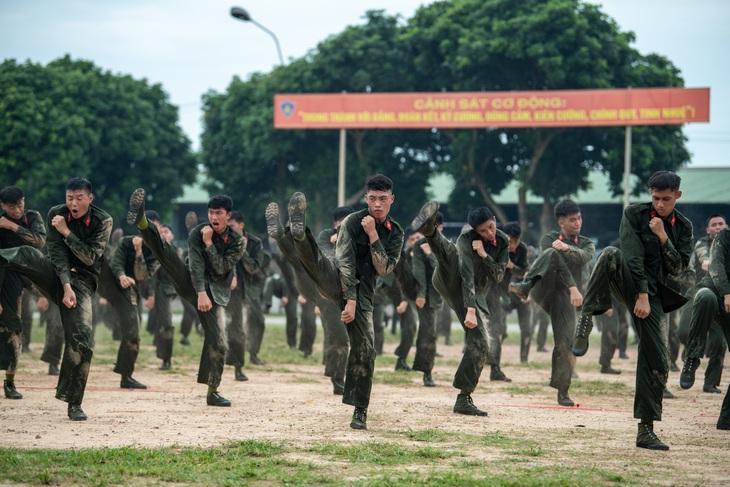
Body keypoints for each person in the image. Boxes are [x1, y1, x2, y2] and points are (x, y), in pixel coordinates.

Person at [574, 171, 692, 450]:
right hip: (631, 283)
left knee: (657, 359)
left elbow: (678, 269)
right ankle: (586, 320)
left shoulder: (683, 227)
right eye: (655, 198)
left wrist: (663, 237)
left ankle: (645, 430)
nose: (660, 205)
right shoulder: (634, 214)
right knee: (609, 255)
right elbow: (632, 254)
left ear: (678, 195)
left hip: (657, 296)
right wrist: (640, 294)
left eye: (666, 199)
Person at [279, 174, 404, 429]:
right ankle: (300, 234)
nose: (377, 204)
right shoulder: (351, 222)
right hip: (337, 278)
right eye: (372, 199)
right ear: (366, 198)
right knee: (316, 264)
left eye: (382, 199)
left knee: (365, 351)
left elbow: (384, 269)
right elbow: (345, 262)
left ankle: (360, 411)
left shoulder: (396, 232)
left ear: (392, 199)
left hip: (366, 293)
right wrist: (349, 300)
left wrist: (372, 235)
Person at [0, 178, 112, 420]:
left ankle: (74, 403)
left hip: (82, 282)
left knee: (80, 339)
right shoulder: (56, 213)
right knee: (28, 253)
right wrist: (64, 285)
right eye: (69, 198)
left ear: (90, 199)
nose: (73, 203)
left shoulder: (103, 221)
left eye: (78, 198)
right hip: (57, 276)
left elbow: (90, 257)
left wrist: (66, 232)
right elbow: (57, 253)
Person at [127, 189, 245, 407]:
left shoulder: (238, 241)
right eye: (210, 212)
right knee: (166, 250)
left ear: (228, 215)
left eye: (218, 213)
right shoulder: (198, 232)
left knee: (218, 342)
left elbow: (221, 268)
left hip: (215, 294)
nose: (213, 217)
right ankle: (142, 220)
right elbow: (197, 265)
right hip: (191, 282)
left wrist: (210, 244)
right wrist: (199, 291)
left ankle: (212, 392)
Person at [412, 202, 507, 417]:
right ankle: (430, 230)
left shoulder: (502, 240)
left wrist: (484, 254)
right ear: (474, 230)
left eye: (491, 227)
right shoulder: (466, 239)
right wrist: (470, 309)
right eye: (482, 231)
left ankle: (463, 397)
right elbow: (465, 273)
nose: (489, 233)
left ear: (494, 219)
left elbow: (499, 275)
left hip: (476, 290)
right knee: (450, 254)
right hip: (449, 280)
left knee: (481, 342)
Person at [509, 200, 594, 406]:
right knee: (551, 253)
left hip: (566, 297)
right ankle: (525, 285)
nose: (578, 223)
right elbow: (557, 264)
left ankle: (562, 391)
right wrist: (573, 286)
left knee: (565, 342)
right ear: (561, 222)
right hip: (544, 288)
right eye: (572, 220)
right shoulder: (549, 238)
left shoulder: (585, 243)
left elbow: (583, 258)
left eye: (579, 218)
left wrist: (566, 249)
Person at [266, 204, 352, 394]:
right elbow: (325, 259)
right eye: (340, 223)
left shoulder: (356, 238)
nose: (343, 227)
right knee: (303, 259)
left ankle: (284, 235)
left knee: (339, 337)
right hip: (316, 284)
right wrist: (335, 242)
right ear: (335, 224)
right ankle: (290, 233)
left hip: (341, 293)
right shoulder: (325, 236)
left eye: (347, 223)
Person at [681, 226, 730, 430]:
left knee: (719, 345)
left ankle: (726, 419)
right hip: (713, 295)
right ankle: (692, 358)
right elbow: (715, 265)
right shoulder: (723, 237)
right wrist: (727, 292)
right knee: (705, 296)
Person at [0, 186, 47, 399]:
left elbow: (39, 241)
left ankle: (9, 382)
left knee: (15, 328)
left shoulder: (32, 217)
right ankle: (9, 381)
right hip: (5, 276)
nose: (18, 210)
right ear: (2, 206)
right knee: (12, 327)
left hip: (29, 272)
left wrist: (13, 227)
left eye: (20, 204)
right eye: (12, 208)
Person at [105, 210, 161, 389]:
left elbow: (142, 275)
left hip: (130, 292)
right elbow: (116, 263)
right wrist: (121, 276)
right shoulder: (124, 242)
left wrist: (138, 252)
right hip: (111, 284)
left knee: (133, 335)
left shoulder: (157, 252)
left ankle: (126, 375)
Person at [677, 214, 728, 394]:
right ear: (708, 230)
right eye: (713, 225)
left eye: (721, 224)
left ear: (726, 226)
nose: (718, 227)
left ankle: (710, 383)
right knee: (683, 331)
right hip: (698, 291)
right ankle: (691, 349)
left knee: (719, 343)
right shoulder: (702, 243)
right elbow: (703, 254)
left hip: (720, 297)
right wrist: (707, 261)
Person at [227, 211, 264, 380]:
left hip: (248, 289)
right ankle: (230, 364)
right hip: (226, 289)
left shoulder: (254, 243)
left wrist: (241, 247)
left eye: (232, 226)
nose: (230, 230)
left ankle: (240, 364)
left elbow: (254, 267)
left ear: (241, 225)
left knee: (251, 325)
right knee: (228, 329)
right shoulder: (222, 240)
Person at [411, 213, 445, 386]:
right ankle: (426, 371)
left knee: (429, 332)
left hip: (439, 295)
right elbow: (417, 269)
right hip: (424, 297)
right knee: (428, 333)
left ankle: (424, 367)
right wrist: (421, 294)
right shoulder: (419, 245)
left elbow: (445, 271)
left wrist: (431, 254)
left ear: (440, 228)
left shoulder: (446, 245)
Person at [499, 222, 532, 363]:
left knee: (527, 328)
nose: (513, 245)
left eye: (516, 241)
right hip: (502, 293)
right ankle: (493, 357)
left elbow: (524, 272)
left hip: (520, 292)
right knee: (498, 326)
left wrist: (511, 266)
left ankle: (524, 359)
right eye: (510, 241)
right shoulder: (497, 248)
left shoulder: (522, 249)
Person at [150, 223, 178, 370]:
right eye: (161, 232)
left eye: (166, 232)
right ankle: (164, 357)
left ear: (172, 236)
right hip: (157, 289)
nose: (163, 235)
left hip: (171, 289)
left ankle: (165, 357)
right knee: (162, 323)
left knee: (165, 323)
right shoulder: (155, 251)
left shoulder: (177, 252)